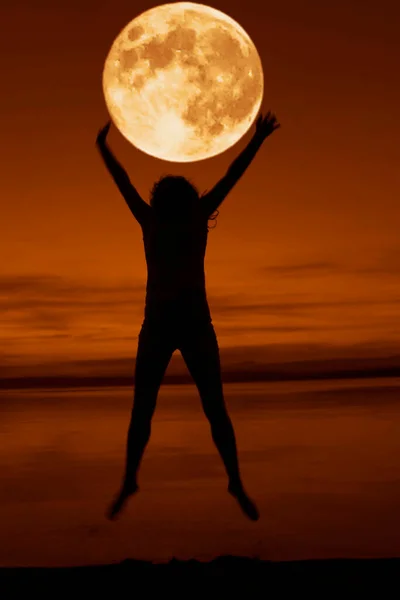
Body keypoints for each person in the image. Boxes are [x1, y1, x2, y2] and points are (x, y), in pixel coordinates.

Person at [96, 111, 280, 521]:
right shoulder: (179, 218)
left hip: (179, 325)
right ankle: (140, 478)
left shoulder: (158, 220)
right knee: (196, 407)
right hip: (176, 325)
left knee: (179, 407)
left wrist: (104, 150)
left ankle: (145, 478)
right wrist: (258, 139)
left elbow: (126, 184)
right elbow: (232, 175)